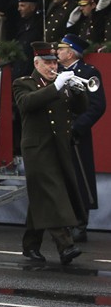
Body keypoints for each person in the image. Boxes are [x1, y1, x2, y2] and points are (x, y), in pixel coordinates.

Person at [13, 42, 86, 264]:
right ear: (37, 63)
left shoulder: (60, 82)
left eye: (54, 62)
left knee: (42, 195)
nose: (52, 66)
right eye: (47, 63)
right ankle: (65, 246)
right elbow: (26, 104)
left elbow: (80, 108)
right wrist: (56, 87)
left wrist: (77, 90)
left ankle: (31, 244)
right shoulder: (23, 83)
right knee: (53, 195)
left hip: (59, 148)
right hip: (37, 150)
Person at [56, 34, 106, 242]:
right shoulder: (56, 73)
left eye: (61, 49)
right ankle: (62, 222)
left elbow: (97, 106)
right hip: (57, 130)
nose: (57, 52)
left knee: (79, 177)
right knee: (60, 177)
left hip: (77, 133)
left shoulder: (87, 73)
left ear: (71, 52)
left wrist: (77, 127)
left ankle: (80, 222)